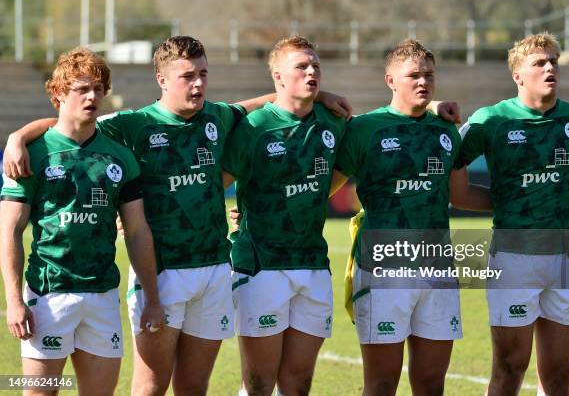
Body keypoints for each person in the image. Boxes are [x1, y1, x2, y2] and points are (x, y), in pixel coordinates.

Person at [2, 35, 351, 396]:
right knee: (150, 386)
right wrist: (19, 136)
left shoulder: (217, 115)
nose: (198, 83)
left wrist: (320, 96)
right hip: (161, 272)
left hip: (214, 268)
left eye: (203, 73)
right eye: (187, 76)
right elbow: (71, 121)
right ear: (162, 80)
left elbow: (269, 103)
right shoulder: (133, 124)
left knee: (194, 387)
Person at [0, 47, 164, 395]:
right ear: (58, 94)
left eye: (99, 89)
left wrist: (152, 297)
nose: (93, 96)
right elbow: (10, 230)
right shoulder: (33, 153)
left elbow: (136, 231)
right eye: (82, 89)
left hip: (102, 296)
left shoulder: (120, 157)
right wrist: (14, 301)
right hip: (47, 297)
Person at [331, 39, 491, 396]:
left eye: (429, 76)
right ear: (390, 80)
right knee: (382, 383)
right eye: (413, 75)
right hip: (383, 267)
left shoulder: (445, 130)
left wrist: (519, 199)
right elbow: (324, 189)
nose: (423, 82)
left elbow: (460, 195)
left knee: (431, 384)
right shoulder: (364, 129)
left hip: (437, 267)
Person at [457, 33, 569, 396]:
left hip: (568, 257)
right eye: (539, 62)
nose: (550, 67)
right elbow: (452, 170)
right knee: (509, 368)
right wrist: (508, 201)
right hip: (514, 258)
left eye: (554, 62)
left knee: (560, 375)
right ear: (518, 75)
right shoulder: (491, 119)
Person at [222, 35, 351, 396]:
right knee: (259, 383)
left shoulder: (333, 121)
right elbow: (214, 183)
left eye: (316, 66)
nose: (312, 72)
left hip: (312, 263)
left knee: (299, 383)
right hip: (261, 265)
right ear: (278, 76)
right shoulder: (254, 128)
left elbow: (333, 176)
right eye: (302, 66)